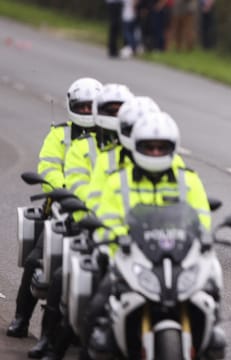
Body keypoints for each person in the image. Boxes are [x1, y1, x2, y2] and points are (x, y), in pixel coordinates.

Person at [85, 111, 226, 359]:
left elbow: (201, 219)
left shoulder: (188, 179)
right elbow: (105, 218)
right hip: (132, 257)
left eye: (161, 147)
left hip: (178, 258)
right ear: (136, 146)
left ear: (173, 147)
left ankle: (208, 336)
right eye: (149, 147)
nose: (155, 153)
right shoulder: (118, 180)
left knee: (210, 293)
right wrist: (119, 237)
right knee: (96, 305)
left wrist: (203, 239)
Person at [6, 77, 102, 359]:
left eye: (91, 107)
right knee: (38, 260)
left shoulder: (108, 141)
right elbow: (48, 168)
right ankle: (22, 319)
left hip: (96, 214)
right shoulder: (60, 135)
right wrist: (65, 193)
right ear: (71, 106)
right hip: (61, 210)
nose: (86, 112)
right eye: (81, 107)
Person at [37, 84, 135, 360]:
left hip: (136, 243)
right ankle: (48, 341)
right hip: (89, 226)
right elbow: (87, 191)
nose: (154, 151)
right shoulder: (84, 148)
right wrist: (84, 214)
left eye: (160, 146)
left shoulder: (158, 167)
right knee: (57, 273)